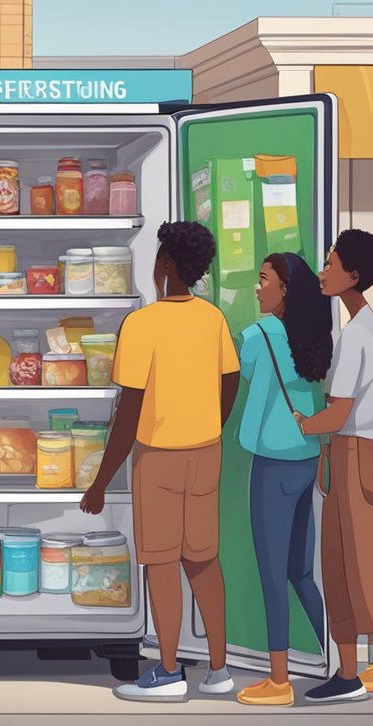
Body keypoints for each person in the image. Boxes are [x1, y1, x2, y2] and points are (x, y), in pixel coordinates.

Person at [81, 221, 240, 701]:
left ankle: (168, 671)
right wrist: (207, 423)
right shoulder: (211, 317)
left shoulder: (142, 324)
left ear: (166, 264)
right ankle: (218, 669)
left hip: (159, 457)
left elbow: (128, 412)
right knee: (204, 561)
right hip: (206, 452)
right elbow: (229, 382)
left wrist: (101, 481)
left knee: (162, 564)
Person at [297, 229, 373, 704]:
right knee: (370, 565)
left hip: (354, 457)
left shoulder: (356, 336)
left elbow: (338, 413)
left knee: (343, 565)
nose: (323, 273)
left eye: (331, 264)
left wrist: (303, 424)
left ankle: (349, 675)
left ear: (352, 276)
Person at [234, 253, 332, 707]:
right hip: (306, 457)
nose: (257, 288)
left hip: (272, 462)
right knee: (301, 572)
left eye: (263, 280)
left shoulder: (258, 336)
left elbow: (248, 374)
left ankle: (278, 680)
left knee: (272, 575)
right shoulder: (315, 335)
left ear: (284, 289)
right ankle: (336, 655)